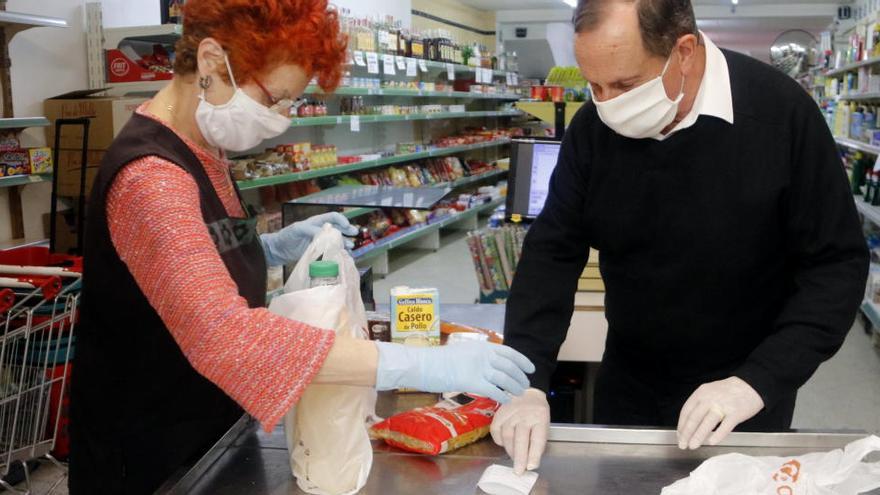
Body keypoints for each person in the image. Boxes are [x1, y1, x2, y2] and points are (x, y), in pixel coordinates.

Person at [69, 1, 534, 493]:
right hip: (149, 453)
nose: (281, 120)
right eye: (276, 99)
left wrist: (269, 248)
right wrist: (416, 363)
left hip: (205, 427)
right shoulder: (151, 177)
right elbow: (229, 340)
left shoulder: (204, 148)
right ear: (210, 61)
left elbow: (187, 256)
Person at [490, 0, 869, 475]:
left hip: (743, 390)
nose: (607, 104)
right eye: (595, 85)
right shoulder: (592, 129)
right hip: (629, 376)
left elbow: (836, 264)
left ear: (684, 51)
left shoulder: (780, 114)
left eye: (625, 85)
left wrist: (757, 381)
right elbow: (553, 251)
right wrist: (526, 380)